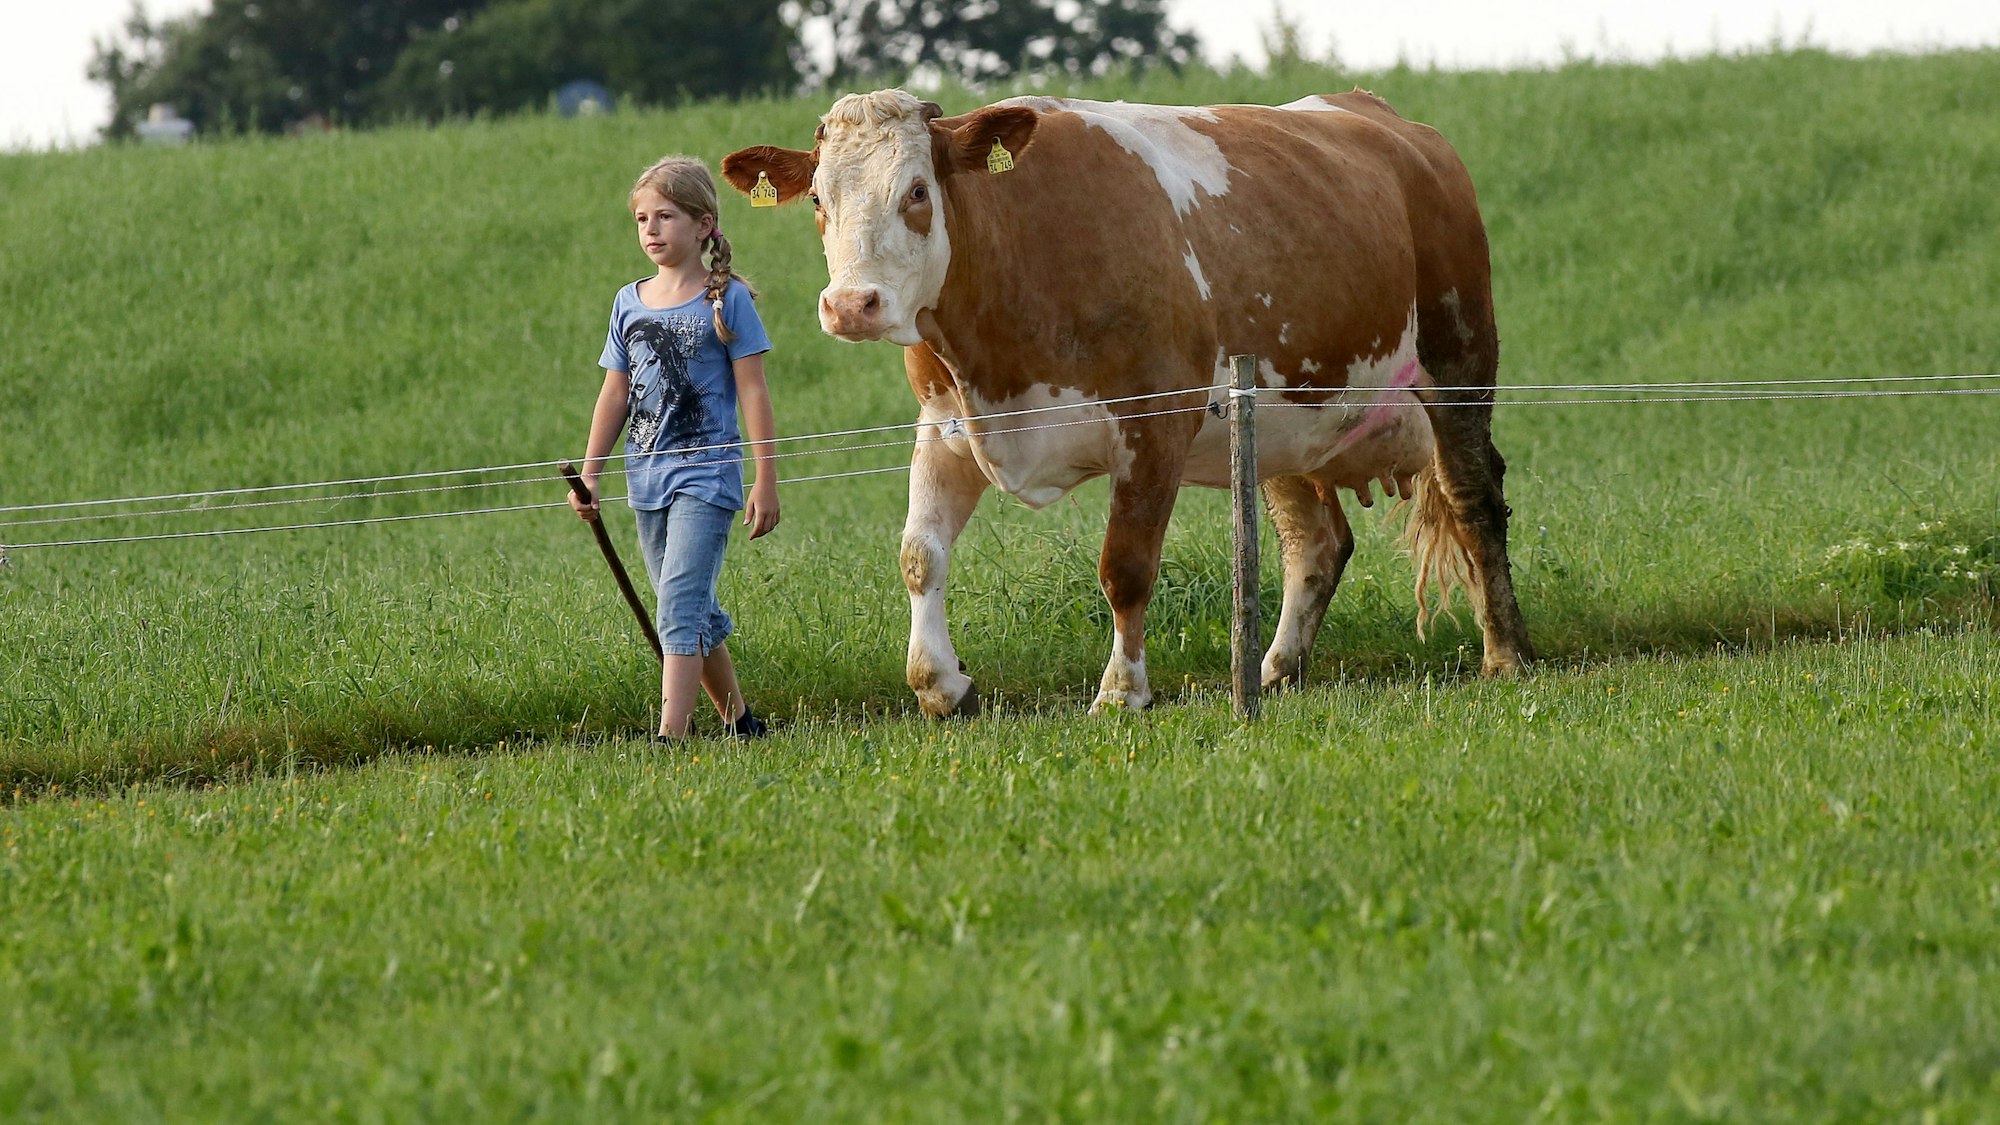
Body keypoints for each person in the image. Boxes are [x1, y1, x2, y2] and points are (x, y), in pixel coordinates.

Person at [569, 155, 779, 741]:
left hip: (707, 480)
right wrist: (592, 475)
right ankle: (742, 723)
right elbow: (615, 393)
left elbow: (754, 391)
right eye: (642, 219)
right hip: (647, 480)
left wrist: (765, 479)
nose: (651, 230)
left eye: (665, 216)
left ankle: (671, 737)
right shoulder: (628, 301)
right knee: (691, 607)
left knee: (678, 608)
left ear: (704, 224)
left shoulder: (728, 299)